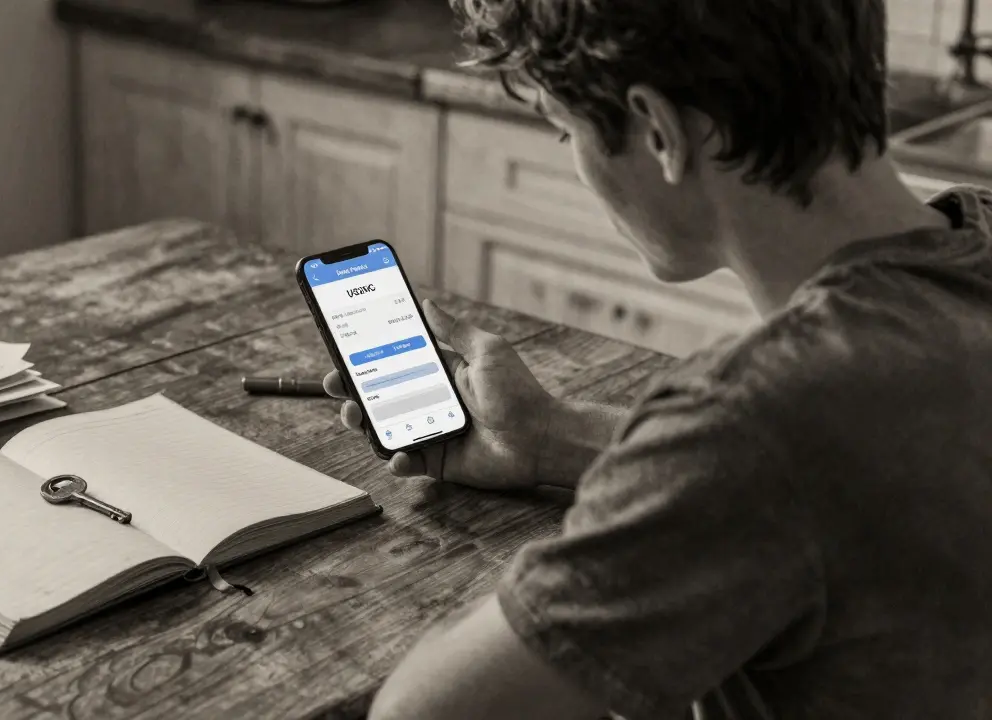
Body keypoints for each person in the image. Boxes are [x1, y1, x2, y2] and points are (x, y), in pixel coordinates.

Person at [324, 1, 992, 718]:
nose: (579, 167)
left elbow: (420, 713)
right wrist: (554, 437)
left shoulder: (756, 422)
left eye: (565, 129)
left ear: (657, 131)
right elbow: (850, 466)